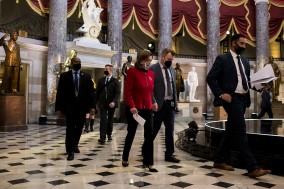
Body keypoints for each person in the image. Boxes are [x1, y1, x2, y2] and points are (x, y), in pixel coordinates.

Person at [206, 33, 271, 178]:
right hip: (232, 99)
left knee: (231, 130)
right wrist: (221, 94)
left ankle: (219, 160)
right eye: (242, 43)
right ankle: (252, 167)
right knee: (241, 131)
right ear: (234, 43)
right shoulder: (222, 59)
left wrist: (261, 87)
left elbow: (248, 82)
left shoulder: (246, 61)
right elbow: (210, 78)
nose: (244, 46)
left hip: (243, 100)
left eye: (245, 43)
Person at [122, 50, 158, 172]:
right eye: (148, 61)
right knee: (131, 133)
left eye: (150, 61)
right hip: (135, 110)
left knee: (149, 135)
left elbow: (150, 91)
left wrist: (153, 102)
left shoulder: (151, 74)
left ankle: (150, 162)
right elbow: (128, 91)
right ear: (141, 61)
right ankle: (125, 157)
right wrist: (132, 106)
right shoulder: (132, 71)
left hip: (147, 110)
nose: (149, 63)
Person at [55, 57, 95, 161]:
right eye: (76, 62)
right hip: (70, 107)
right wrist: (58, 108)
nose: (78, 63)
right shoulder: (64, 76)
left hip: (82, 107)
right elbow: (60, 93)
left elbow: (91, 93)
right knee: (70, 128)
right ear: (72, 63)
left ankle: (75, 145)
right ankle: (70, 150)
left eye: (80, 62)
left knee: (80, 127)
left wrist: (92, 107)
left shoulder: (86, 76)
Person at [150, 48, 180, 163]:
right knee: (154, 130)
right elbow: (150, 88)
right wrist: (153, 101)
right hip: (158, 105)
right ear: (162, 57)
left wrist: (176, 103)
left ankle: (169, 154)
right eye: (168, 59)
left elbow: (173, 87)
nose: (170, 61)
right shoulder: (153, 69)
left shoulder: (171, 69)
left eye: (172, 59)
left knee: (170, 130)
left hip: (170, 105)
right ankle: (145, 151)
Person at [95, 64, 120, 144]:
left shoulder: (115, 81)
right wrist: (94, 103)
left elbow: (117, 93)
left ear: (110, 70)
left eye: (106, 69)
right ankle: (102, 137)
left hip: (111, 103)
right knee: (103, 119)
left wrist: (113, 101)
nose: (105, 70)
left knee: (110, 119)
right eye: (104, 69)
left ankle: (109, 133)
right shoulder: (101, 80)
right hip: (102, 103)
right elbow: (97, 92)